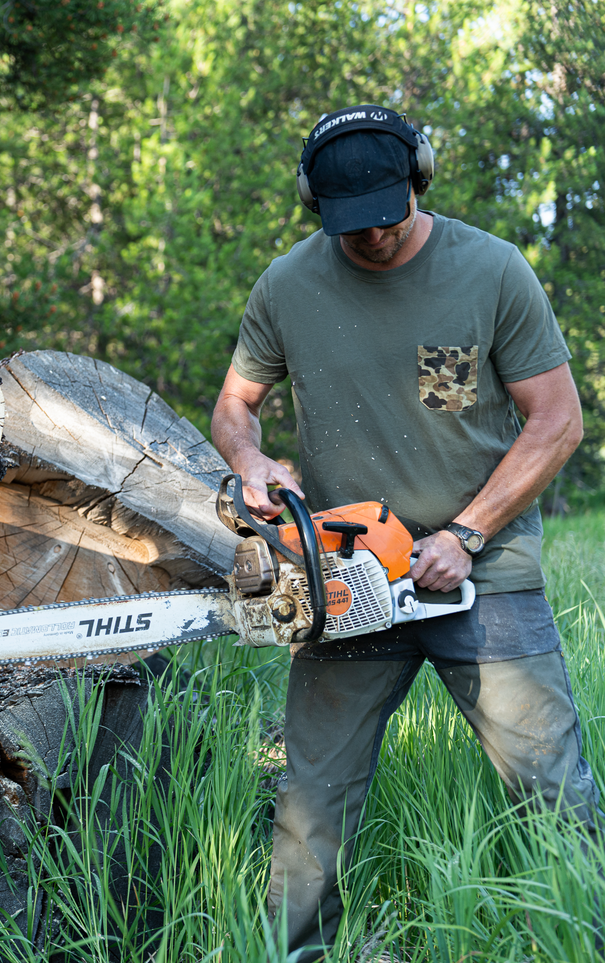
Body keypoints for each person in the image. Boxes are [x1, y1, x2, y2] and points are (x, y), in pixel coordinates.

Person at [210, 103, 602, 960]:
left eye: (386, 216)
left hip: (482, 572)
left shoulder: (491, 270)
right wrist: (251, 460)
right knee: (311, 803)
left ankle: (581, 937)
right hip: (346, 573)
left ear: (418, 178)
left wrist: (467, 532)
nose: (373, 236)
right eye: (351, 224)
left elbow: (557, 421)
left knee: (551, 787)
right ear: (314, 203)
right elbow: (236, 403)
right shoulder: (286, 285)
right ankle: (291, 952)